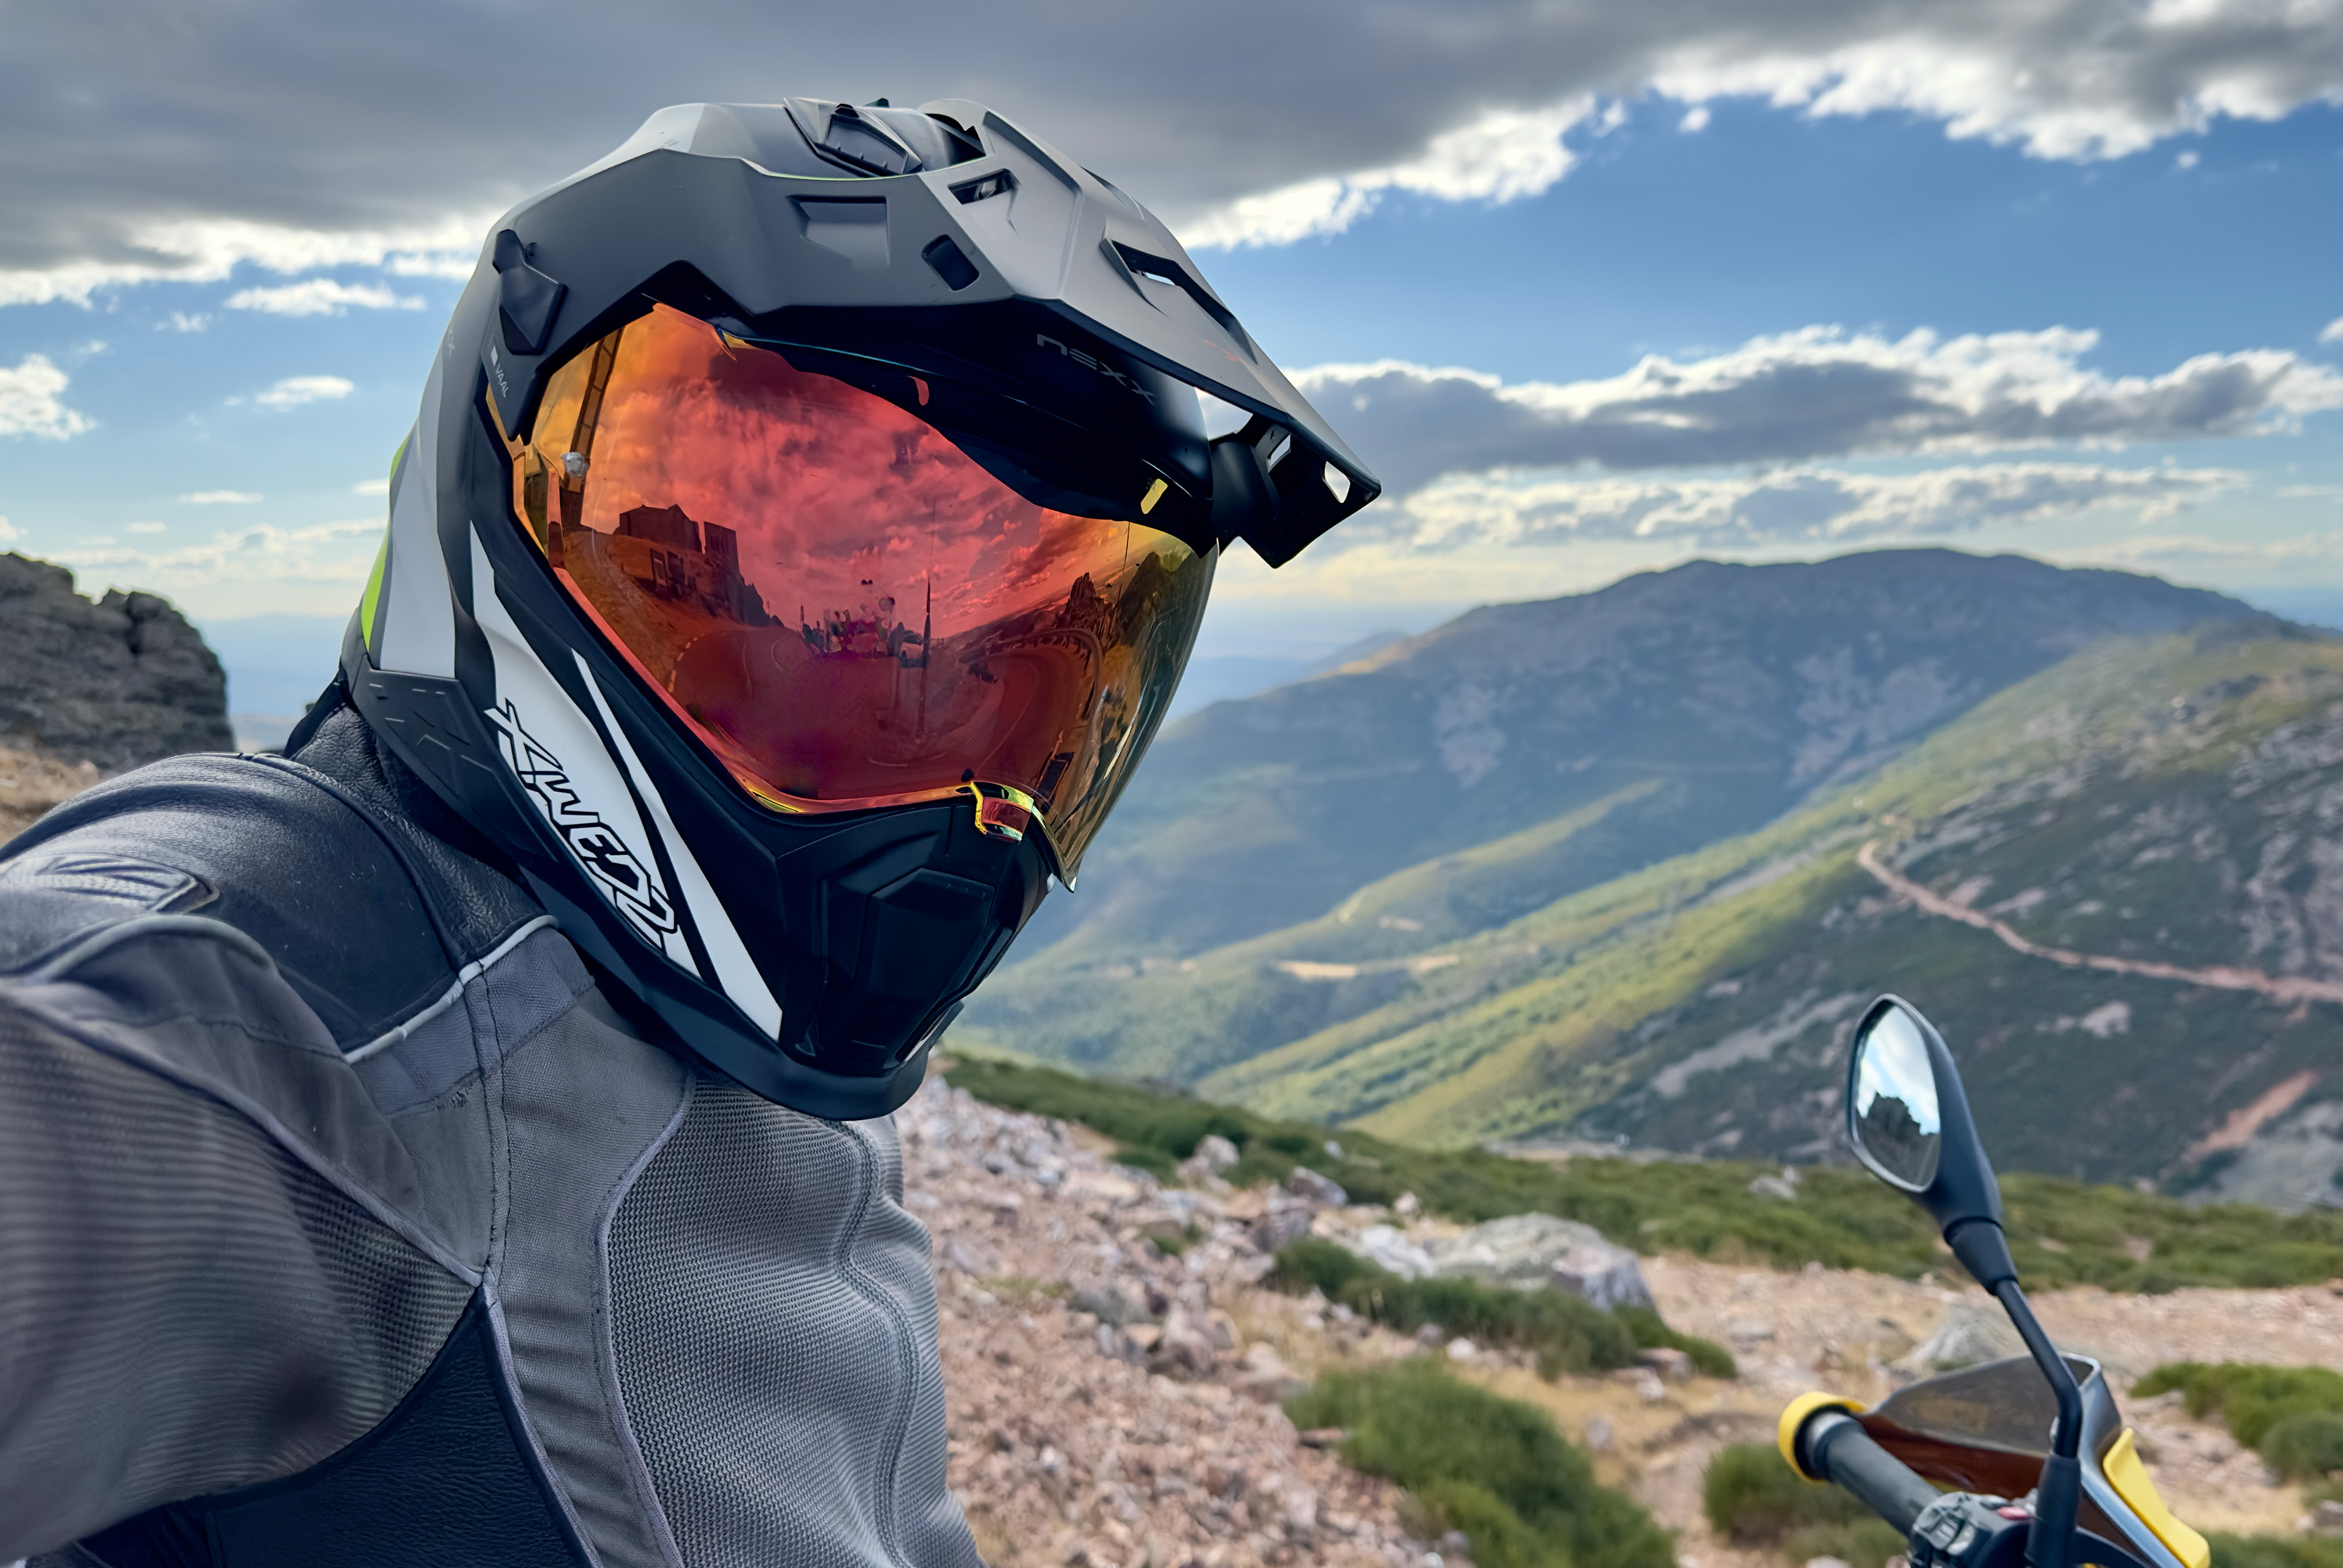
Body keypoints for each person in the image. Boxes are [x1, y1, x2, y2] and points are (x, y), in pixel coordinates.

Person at [0, 95, 1376, 1568]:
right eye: (810, 610)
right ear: (517, 471)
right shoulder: (290, 1023)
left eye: (1022, 682)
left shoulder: (703, 1037)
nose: (958, 807)